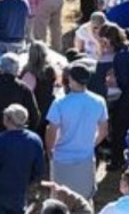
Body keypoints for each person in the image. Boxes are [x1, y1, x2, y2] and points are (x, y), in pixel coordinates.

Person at [44, 61, 109, 201]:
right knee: (84, 200)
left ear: (71, 80)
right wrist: (90, 144)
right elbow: (103, 130)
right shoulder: (99, 101)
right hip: (85, 158)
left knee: (60, 201)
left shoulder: (60, 103)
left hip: (62, 158)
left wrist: (50, 150)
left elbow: (51, 130)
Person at [0, 53, 41, 152]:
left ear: (0, 68)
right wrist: (26, 133)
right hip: (14, 139)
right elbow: (35, 115)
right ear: (17, 70)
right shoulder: (23, 89)